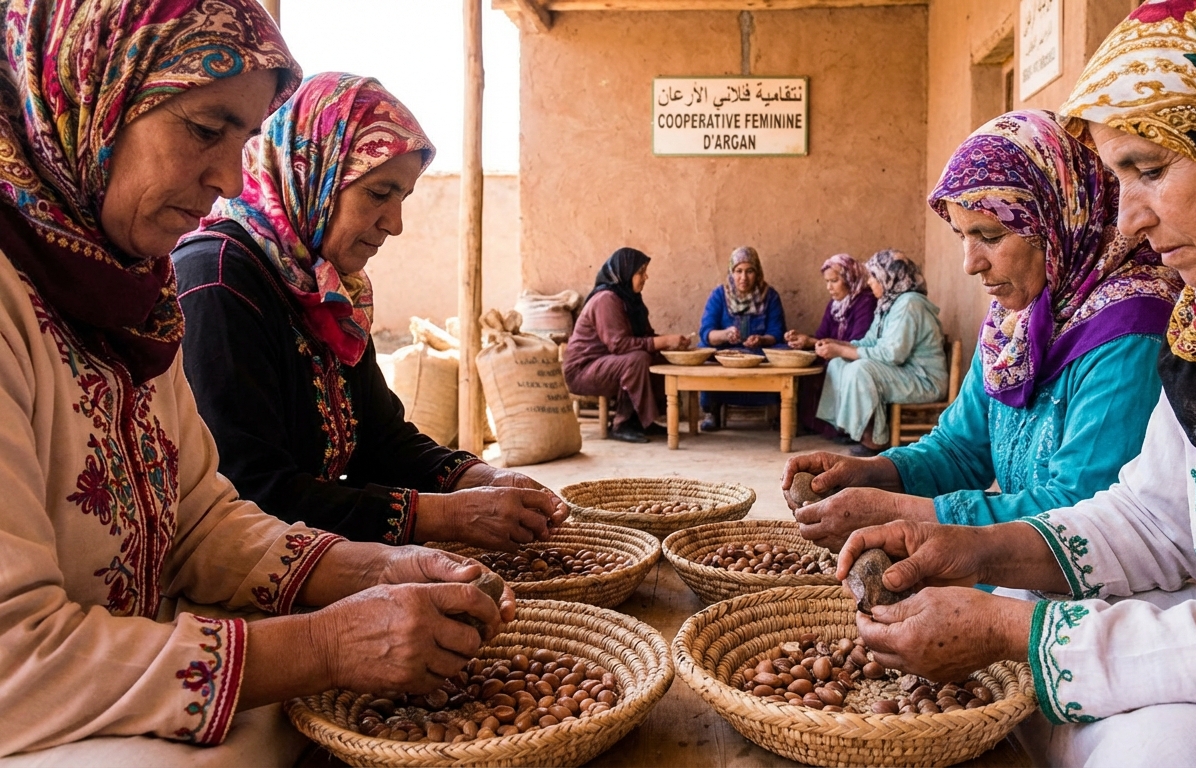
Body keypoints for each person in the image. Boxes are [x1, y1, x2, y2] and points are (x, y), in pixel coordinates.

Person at [836, 2, 1196, 764]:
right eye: (1116, 178)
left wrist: (1018, 633)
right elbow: (1154, 515)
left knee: (1147, 750)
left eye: (1150, 170)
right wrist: (974, 550)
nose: (1128, 218)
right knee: (1033, 620)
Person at [0, 1, 512, 759]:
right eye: (205, 129)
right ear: (83, 93)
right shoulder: (199, 280)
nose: (229, 177)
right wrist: (327, 643)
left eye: (243, 140)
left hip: (134, 667)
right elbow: (14, 663)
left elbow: (201, 521)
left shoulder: (134, 298)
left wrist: (380, 565)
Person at [172, 72, 566, 551]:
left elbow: (381, 440)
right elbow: (253, 495)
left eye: (402, 198)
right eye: (379, 194)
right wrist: (444, 516)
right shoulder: (218, 281)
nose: (395, 224)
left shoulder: (328, 288)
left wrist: (483, 477)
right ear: (311, 175)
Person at [783, 110, 1180, 551]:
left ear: (1059, 221)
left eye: (989, 236)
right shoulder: (1013, 322)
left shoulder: (1131, 328)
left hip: (1079, 585)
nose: (970, 264)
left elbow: (1081, 514)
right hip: (1009, 564)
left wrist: (902, 512)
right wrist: (873, 473)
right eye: (961, 236)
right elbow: (959, 449)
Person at [815, 250, 947, 456]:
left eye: (873, 277)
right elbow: (870, 340)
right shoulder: (889, 304)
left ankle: (874, 441)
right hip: (904, 373)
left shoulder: (910, 304)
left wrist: (842, 349)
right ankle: (850, 428)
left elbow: (893, 354)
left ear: (889, 277)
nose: (869, 282)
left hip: (923, 379)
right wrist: (838, 345)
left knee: (861, 370)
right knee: (838, 362)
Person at [562, 247, 690, 443]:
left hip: (609, 364)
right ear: (625, 273)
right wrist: (664, 341)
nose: (646, 277)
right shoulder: (606, 299)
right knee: (638, 360)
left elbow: (646, 338)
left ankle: (642, 421)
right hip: (583, 370)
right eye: (640, 272)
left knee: (659, 359)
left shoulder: (632, 301)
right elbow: (620, 345)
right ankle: (621, 424)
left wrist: (673, 344)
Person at [784, 253, 878, 440]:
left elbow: (857, 342)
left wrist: (815, 343)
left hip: (853, 357)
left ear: (850, 278)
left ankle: (843, 429)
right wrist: (804, 340)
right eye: (827, 282)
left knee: (832, 369)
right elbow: (821, 335)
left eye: (834, 281)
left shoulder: (865, 302)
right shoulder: (834, 305)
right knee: (807, 370)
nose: (829, 287)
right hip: (834, 353)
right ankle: (814, 425)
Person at [696, 246, 787, 431]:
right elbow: (706, 332)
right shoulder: (719, 295)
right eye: (738, 271)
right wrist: (725, 334)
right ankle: (711, 410)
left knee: (786, 351)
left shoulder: (770, 296)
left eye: (749, 271)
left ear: (757, 272)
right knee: (703, 348)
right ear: (731, 272)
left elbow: (777, 332)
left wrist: (762, 339)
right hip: (725, 356)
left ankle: (778, 411)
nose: (743, 277)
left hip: (758, 355)